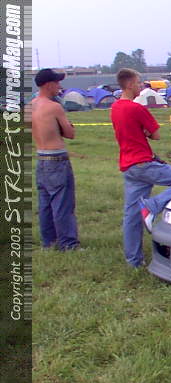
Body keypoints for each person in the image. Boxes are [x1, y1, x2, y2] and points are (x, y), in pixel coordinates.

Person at [111, 68, 171, 267]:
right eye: (138, 82)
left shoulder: (115, 107)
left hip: (128, 165)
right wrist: (145, 132)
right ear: (129, 84)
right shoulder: (137, 108)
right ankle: (153, 206)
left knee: (131, 215)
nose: (141, 86)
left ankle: (133, 260)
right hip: (143, 163)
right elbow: (156, 135)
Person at [31, 68, 80, 251]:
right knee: (63, 203)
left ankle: (49, 241)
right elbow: (70, 133)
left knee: (45, 204)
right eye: (57, 83)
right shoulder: (54, 107)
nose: (59, 86)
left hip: (41, 158)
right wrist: (69, 126)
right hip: (57, 158)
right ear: (49, 85)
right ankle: (68, 244)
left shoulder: (31, 106)